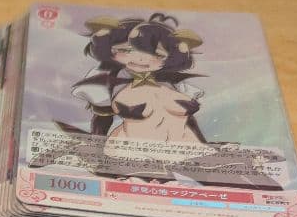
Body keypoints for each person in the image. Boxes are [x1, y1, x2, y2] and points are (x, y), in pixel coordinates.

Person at [62, 13, 206, 144]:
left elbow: (186, 114)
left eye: (157, 55)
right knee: (103, 117)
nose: (140, 59)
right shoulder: (111, 78)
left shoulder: (168, 82)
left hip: (167, 137)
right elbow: (104, 114)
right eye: (126, 50)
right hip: (128, 132)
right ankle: (97, 142)